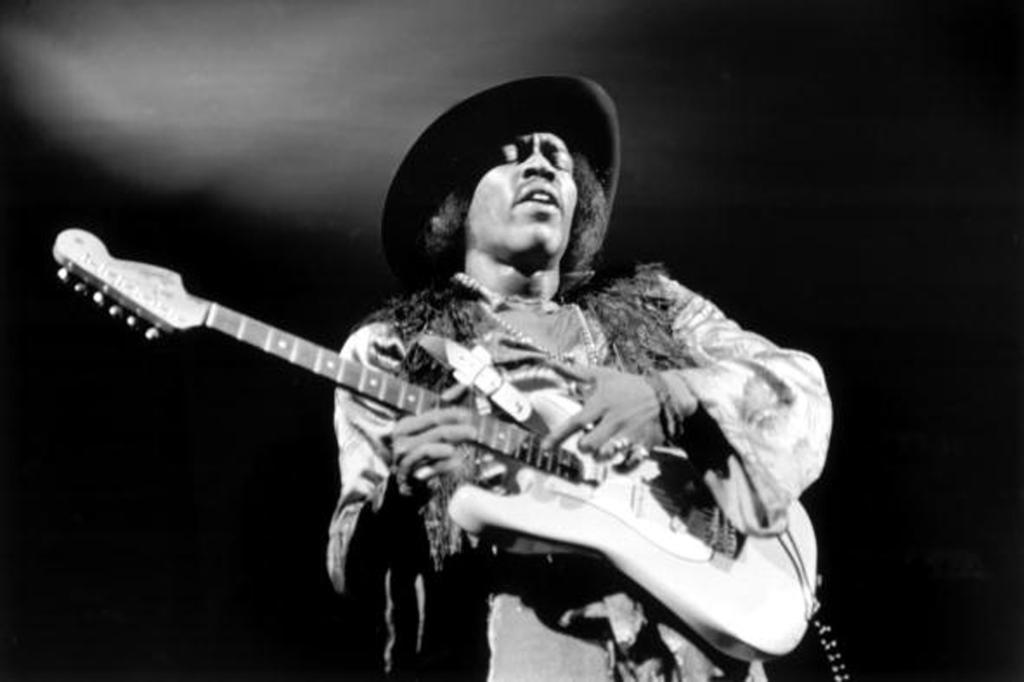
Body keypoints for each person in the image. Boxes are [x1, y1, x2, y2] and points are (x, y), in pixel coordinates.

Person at [325, 76, 832, 681]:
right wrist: (400, 495)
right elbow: (348, 563)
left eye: (558, 159)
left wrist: (673, 396)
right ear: (455, 201)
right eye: (511, 155)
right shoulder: (396, 347)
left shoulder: (658, 307)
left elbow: (797, 387)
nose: (539, 165)